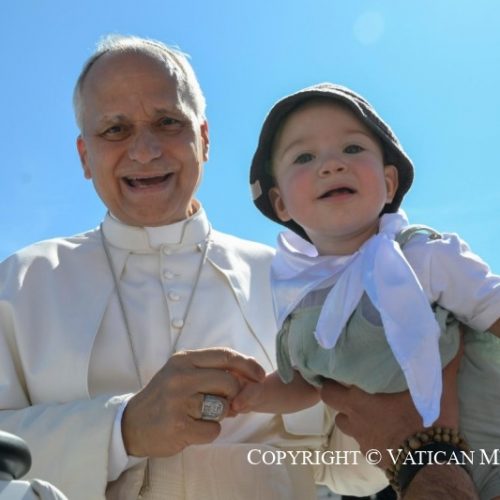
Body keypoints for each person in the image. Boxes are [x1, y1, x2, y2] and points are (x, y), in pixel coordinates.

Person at [0, 35, 394, 500]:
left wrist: (395, 363)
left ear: (203, 139)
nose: (145, 150)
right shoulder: (20, 284)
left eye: (168, 122)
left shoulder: (298, 281)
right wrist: (121, 428)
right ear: (86, 156)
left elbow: (356, 469)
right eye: (115, 130)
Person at [238, 82, 500, 498]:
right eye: (304, 157)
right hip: (408, 473)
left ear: (389, 182)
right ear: (280, 202)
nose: (332, 165)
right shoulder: (303, 301)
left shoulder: (421, 256)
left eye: (353, 148)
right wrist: (250, 397)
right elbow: (309, 385)